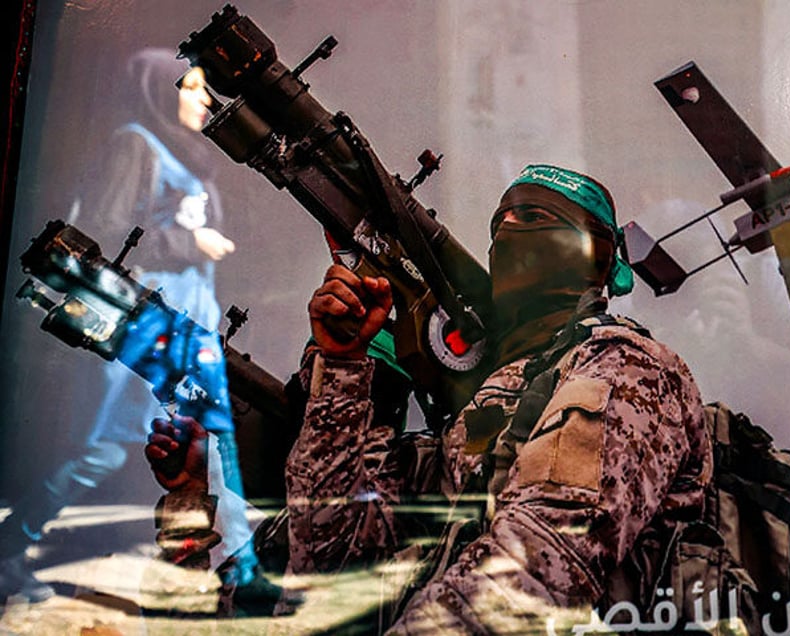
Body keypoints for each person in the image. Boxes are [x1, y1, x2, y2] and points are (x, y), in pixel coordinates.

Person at [145, 165, 710, 630]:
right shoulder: (482, 415)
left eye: (535, 217)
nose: (509, 232)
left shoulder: (628, 368)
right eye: (500, 223)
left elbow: (540, 564)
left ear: (596, 254)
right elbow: (329, 563)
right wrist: (341, 367)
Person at [0, 49, 275, 612]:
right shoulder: (136, 145)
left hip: (183, 326)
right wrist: (185, 244)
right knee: (104, 451)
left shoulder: (194, 163)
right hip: (141, 325)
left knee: (195, 456)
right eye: (189, 87)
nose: (202, 99)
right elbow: (103, 227)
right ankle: (11, 551)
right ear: (156, 90)